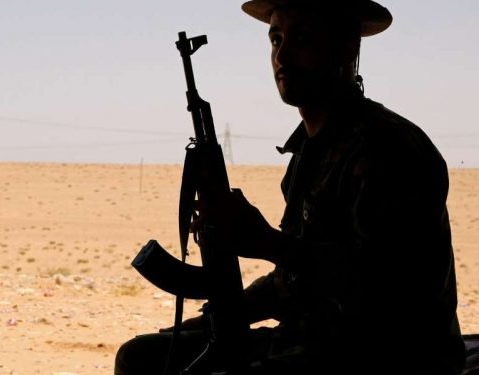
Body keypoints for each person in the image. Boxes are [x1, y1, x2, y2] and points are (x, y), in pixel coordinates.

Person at [115, 1, 466, 374]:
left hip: (388, 353)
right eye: (276, 39)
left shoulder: (390, 148)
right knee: (140, 357)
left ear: (347, 46)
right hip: (313, 339)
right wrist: (218, 317)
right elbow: (292, 281)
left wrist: (267, 242)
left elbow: (390, 290)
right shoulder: (308, 153)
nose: (282, 54)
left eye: (301, 37)